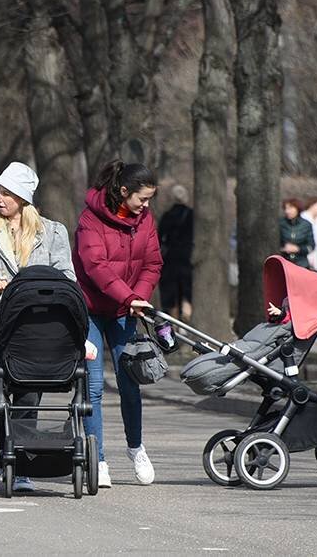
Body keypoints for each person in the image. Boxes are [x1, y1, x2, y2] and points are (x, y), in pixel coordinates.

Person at [0, 162, 75, 493]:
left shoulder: (52, 232)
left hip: (35, 331)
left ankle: (21, 464)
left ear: (23, 198)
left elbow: (66, 275)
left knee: (27, 397)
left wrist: (42, 291)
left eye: (7, 193)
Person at [73, 161, 162, 488]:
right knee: (93, 387)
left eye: (150, 199)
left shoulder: (145, 220)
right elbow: (94, 266)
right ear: (123, 192)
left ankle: (135, 447)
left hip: (127, 309)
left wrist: (137, 297)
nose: (146, 205)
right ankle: (97, 459)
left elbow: (152, 263)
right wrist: (128, 297)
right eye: (142, 198)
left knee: (129, 380)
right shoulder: (90, 220)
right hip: (92, 309)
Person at [156, 184, 193, 321]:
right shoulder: (191, 215)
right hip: (186, 257)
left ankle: (172, 321)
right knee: (186, 290)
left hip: (170, 258)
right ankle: (186, 316)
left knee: (170, 292)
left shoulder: (167, 215)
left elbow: (159, 237)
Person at [279, 198, 315, 269]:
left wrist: (298, 249)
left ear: (297, 209)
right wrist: (283, 248)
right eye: (286, 209)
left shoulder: (306, 225)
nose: (287, 211)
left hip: (301, 264)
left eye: (290, 208)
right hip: (284, 264)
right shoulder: (280, 223)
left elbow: (311, 246)